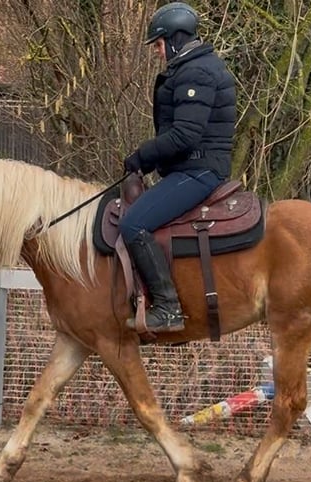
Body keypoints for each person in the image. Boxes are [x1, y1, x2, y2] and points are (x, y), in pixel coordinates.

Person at [120, 1, 237, 333]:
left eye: (158, 44)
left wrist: (142, 157)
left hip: (198, 171)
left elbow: (185, 134)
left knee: (133, 225)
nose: (157, 52)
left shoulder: (196, 72)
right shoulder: (192, 68)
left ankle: (168, 308)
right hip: (189, 168)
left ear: (174, 39)